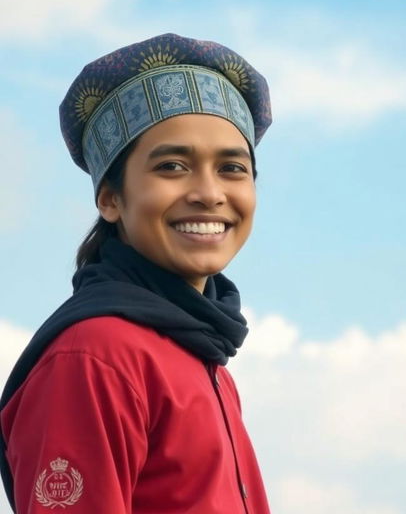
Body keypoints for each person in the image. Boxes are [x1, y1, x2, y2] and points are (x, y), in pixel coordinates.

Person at [0, 33, 272, 513]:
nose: (209, 193)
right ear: (110, 198)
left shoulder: (202, 357)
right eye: (172, 166)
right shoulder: (96, 355)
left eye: (232, 167)